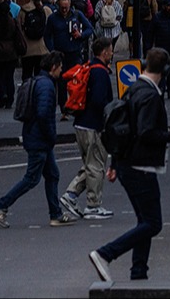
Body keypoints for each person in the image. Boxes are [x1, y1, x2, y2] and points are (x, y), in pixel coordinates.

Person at [91, 48, 170, 283]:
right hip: (141, 167)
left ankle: (139, 272)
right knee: (154, 224)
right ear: (165, 70)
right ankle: (105, 253)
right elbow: (145, 132)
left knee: (144, 221)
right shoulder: (150, 96)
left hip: (127, 164)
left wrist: (115, 163)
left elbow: (122, 129)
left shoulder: (133, 89)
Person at [0, 51, 75, 228]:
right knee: (31, 178)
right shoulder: (47, 86)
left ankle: (56, 214)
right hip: (39, 139)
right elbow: (44, 114)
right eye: (60, 67)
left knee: (52, 175)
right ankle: (1, 205)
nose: (61, 71)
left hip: (35, 136)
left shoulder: (39, 81)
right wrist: (51, 135)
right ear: (53, 67)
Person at [63, 36, 117, 219]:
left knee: (90, 164)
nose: (112, 53)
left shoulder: (89, 68)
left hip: (80, 123)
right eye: (110, 50)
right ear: (104, 52)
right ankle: (93, 206)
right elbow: (99, 101)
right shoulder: (100, 73)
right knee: (96, 167)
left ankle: (71, 196)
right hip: (93, 125)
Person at [18, 0, 50, 83]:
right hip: (42, 48)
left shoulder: (23, 10)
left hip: (27, 49)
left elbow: (19, 28)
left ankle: (26, 93)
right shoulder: (45, 10)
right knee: (39, 75)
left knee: (27, 74)